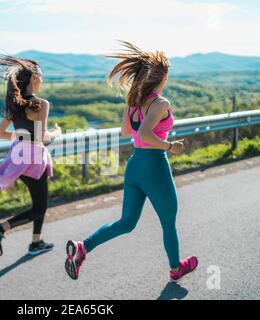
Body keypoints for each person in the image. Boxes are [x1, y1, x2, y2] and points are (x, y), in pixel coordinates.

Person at [65, 41, 198, 282]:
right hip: (155, 165)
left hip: (135, 165)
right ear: (163, 76)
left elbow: (127, 131)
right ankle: (176, 268)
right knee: (168, 222)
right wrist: (171, 146)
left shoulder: (133, 101)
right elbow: (146, 134)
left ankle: (83, 247)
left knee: (126, 222)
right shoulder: (160, 103)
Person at [0, 54, 62, 256]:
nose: (42, 81)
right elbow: (41, 138)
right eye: (41, 76)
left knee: (39, 203)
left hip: (18, 157)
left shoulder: (15, 106)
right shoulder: (41, 104)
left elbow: (0, 134)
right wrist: (56, 133)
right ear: (33, 78)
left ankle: (36, 242)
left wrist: (21, 135)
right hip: (34, 159)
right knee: (39, 207)